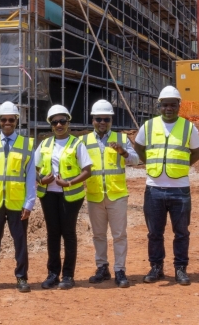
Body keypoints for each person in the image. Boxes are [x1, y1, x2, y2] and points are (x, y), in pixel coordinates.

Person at [132, 85, 199, 286]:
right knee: (155, 232)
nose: (168, 108)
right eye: (165, 105)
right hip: (154, 187)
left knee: (181, 232)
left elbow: (197, 152)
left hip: (180, 189)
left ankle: (180, 268)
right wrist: (152, 163)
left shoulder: (189, 127)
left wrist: (181, 166)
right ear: (159, 106)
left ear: (179, 106)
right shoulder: (148, 126)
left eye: (173, 105)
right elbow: (139, 148)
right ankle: (156, 267)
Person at [0, 101, 36, 293]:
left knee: (20, 242)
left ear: (17, 121)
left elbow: (31, 177)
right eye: (4, 119)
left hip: (17, 202)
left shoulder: (26, 145)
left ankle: (21, 277)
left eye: (11, 119)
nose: (8, 122)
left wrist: (29, 203)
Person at [82, 99, 139, 289]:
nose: (102, 122)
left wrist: (123, 152)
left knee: (119, 235)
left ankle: (120, 269)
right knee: (98, 235)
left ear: (111, 120)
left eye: (106, 119)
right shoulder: (84, 141)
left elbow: (136, 160)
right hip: (95, 194)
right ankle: (102, 267)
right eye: (98, 119)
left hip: (116, 195)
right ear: (93, 120)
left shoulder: (121, 139)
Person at [34, 104, 92, 290]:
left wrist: (68, 183)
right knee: (52, 234)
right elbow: (33, 169)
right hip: (48, 194)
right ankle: (53, 274)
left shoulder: (77, 144)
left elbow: (87, 171)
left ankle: (68, 275)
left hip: (70, 196)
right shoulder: (44, 144)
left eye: (62, 121)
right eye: (55, 122)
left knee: (68, 234)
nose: (59, 125)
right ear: (50, 124)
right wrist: (42, 179)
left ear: (68, 122)